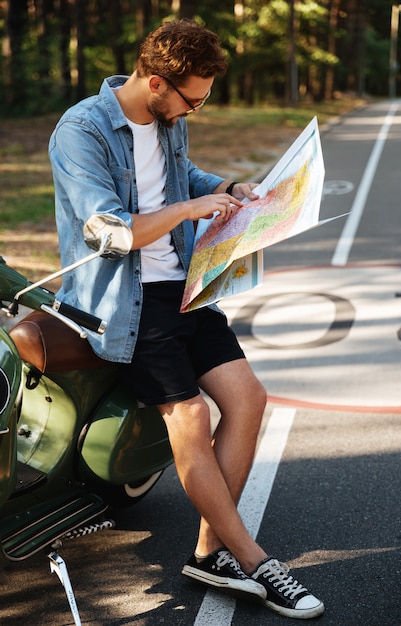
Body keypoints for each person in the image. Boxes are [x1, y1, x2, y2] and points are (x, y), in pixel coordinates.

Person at [49, 18, 324, 620]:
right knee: (191, 414)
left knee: (249, 399)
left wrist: (227, 187)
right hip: (124, 300)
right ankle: (254, 560)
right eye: (192, 99)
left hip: (182, 288)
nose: (194, 110)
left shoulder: (167, 120)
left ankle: (207, 552)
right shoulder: (82, 131)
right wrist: (189, 208)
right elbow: (112, 229)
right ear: (154, 82)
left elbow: (178, 180)